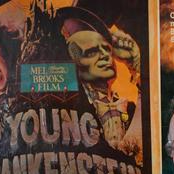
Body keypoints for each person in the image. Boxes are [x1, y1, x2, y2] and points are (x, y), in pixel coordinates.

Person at [60, 7, 141, 155]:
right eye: (92, 51)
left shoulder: (129, 107)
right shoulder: (73, 107)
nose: (105, 56)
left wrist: (136, 64)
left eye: (105, 48)